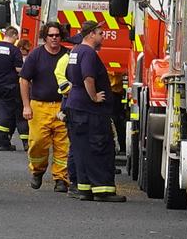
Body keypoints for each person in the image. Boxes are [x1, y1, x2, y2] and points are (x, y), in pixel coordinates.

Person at [64, 20, 125, 202]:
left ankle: (85, 189)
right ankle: (102, 191)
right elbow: (88, 77)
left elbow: (69, 75)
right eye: (100, 33)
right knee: (99, 148)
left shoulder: (75, 51)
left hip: (76, 107)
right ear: (91, 34)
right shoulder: (89, 53)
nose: (102, 36)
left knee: (82, 150)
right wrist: (94, 97)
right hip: (89, 110)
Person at [20, 21, 70, 193]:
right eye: (51, 35)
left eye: (57, 35)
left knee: (63, 145)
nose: (55, 38)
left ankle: (61, 178)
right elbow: (24, 79)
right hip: (39, 106)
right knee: (37, 143)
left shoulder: (68, 55)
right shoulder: (36, 55)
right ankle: (37, 170)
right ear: (45, 37)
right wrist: (26, 106)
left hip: (62, 107)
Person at [0, 27, 26, 151]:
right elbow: (18, 69)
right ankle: (3, 143)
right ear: (14, 35)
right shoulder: (14, 50)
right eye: (17, 37)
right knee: (5, 113)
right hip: (7, 86)